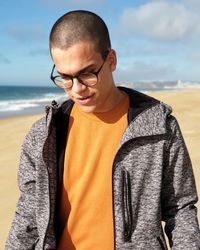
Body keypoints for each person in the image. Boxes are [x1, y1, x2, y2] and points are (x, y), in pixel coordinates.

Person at [5, 10, 200, 250]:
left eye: (87, 73)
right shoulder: (44, 136)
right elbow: (28, 215)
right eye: (65, 77)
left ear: (111, 60)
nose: (77, 89)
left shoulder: (160, 128)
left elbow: (180, 210)